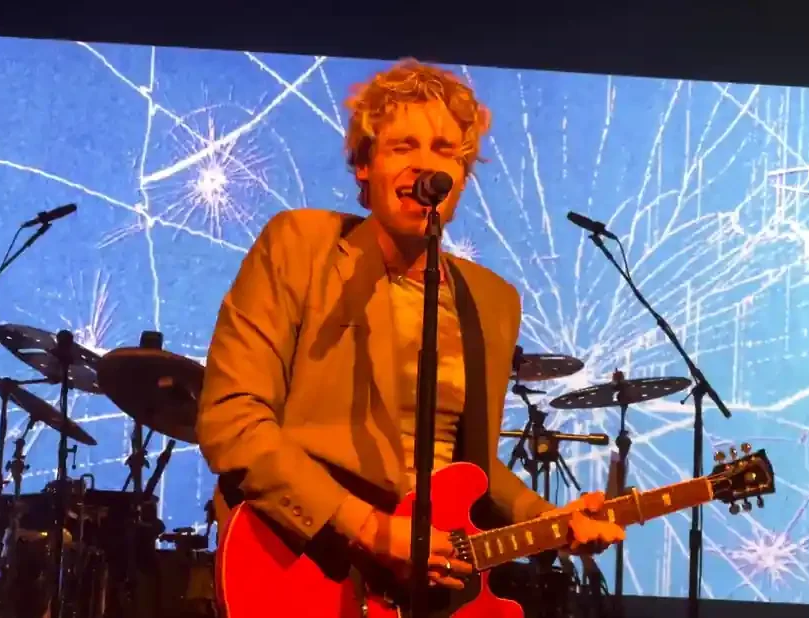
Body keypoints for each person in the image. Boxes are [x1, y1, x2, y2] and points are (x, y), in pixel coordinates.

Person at [196, 58, 625, 595]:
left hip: (429, 590)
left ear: (462, 176)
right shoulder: (299, 246)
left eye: (445, 151)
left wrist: (555, 522)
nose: (427, 166)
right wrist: (368, 529)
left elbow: (476, 470)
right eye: (403, 147)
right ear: (364, 165)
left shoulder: (491, 300)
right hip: (311, 566)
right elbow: (232, 419)